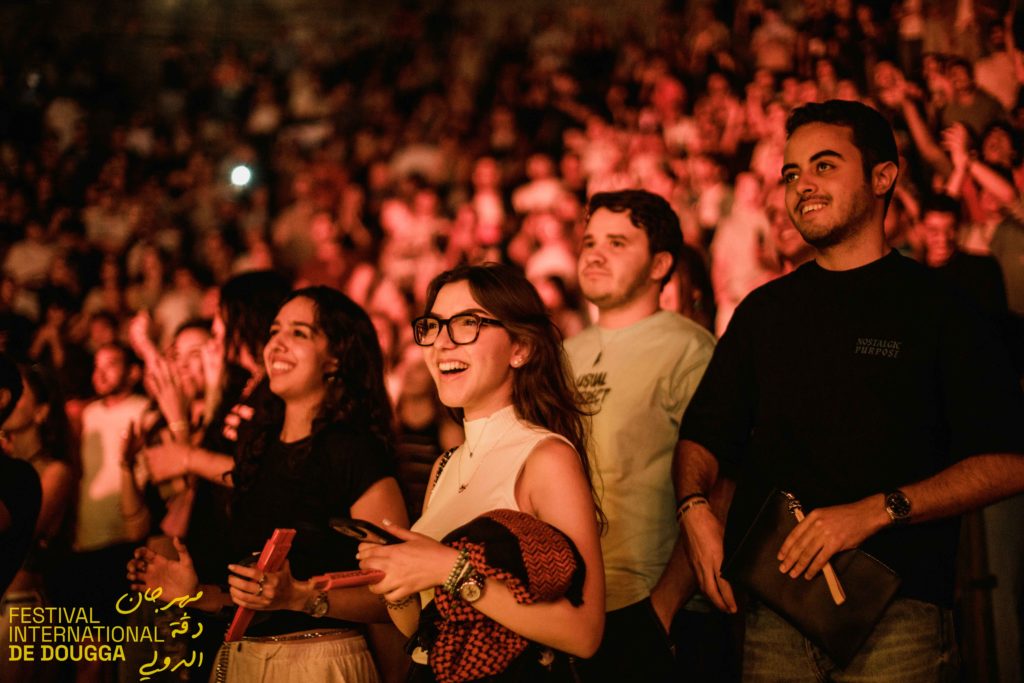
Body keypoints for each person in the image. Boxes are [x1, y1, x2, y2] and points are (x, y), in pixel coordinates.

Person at [674, 99, 1024, 681]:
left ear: (883, 177)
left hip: (899, 619)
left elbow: (1011, 462)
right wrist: (693, 512)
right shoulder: (765, 310)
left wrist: (878, 511)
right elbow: (705, 434)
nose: (802, 185)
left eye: (824, 166)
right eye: (791, 173)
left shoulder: (939, 307)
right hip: (773, 617)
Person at [129, 286, 407, 683]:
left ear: (336, 357)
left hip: (321, 664)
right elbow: (260, 598)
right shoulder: (258, 451)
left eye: (299, 333)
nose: (276, 343)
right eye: (275, 331)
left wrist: (303, 596)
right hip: (245, 660)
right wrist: (196, 594)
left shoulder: (354, 453)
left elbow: (398, 596)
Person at [357, 263, 605, 680]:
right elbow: (425, 633)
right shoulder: (445, 464)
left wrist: (449, 569)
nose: (442, 343)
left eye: (466, 324)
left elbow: (585, 633)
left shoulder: (545, 457)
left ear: (520, 349)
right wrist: (396, 581)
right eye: (433, 326)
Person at [563, 189, 717, 682]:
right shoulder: (563, 353)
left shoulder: (689, 349)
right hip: (567, 607)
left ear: (659, 264)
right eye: (589, 241)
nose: (595, 253)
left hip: (651, 606)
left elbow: (719, 485)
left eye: (617, 242)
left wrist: (664, 607)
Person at [0, 363, 73, 683]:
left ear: (42, 412)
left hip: (21, 606)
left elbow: (26, 526)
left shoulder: (55, 471)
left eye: (20, 395)